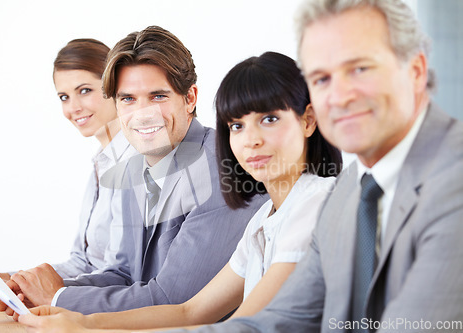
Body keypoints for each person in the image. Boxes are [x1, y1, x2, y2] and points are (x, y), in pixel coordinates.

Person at [142, 0, 462, 332]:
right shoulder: (350, 190)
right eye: (322, 79)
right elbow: (272, 322)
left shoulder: (450, 181)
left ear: (415, 71)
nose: (337, 97)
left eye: (360, 69)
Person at [16, 51, 343, 332]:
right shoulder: (264, 218)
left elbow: (239, 326)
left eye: (269, 119)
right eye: (237, 126)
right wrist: (78, 321)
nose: (251, 139)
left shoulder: (316, 202)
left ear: (309, 121)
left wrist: (75, 317)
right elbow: (192, 311)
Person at [0, 26, 266, 317]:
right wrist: (33, 290)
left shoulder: (223, 170)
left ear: (190, 99)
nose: (142, 113)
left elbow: (173, 299)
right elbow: (124, 274)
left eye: (158, 96)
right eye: (128, 99)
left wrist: (58, 297)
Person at [0, 38, 135, 305]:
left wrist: (14, 289)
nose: (73, 107)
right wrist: (0, 279)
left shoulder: (136, 164)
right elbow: (83, 262)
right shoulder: (100, 165)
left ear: (113, 87)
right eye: (64, 97)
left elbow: (122, 276)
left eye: (85, 90)